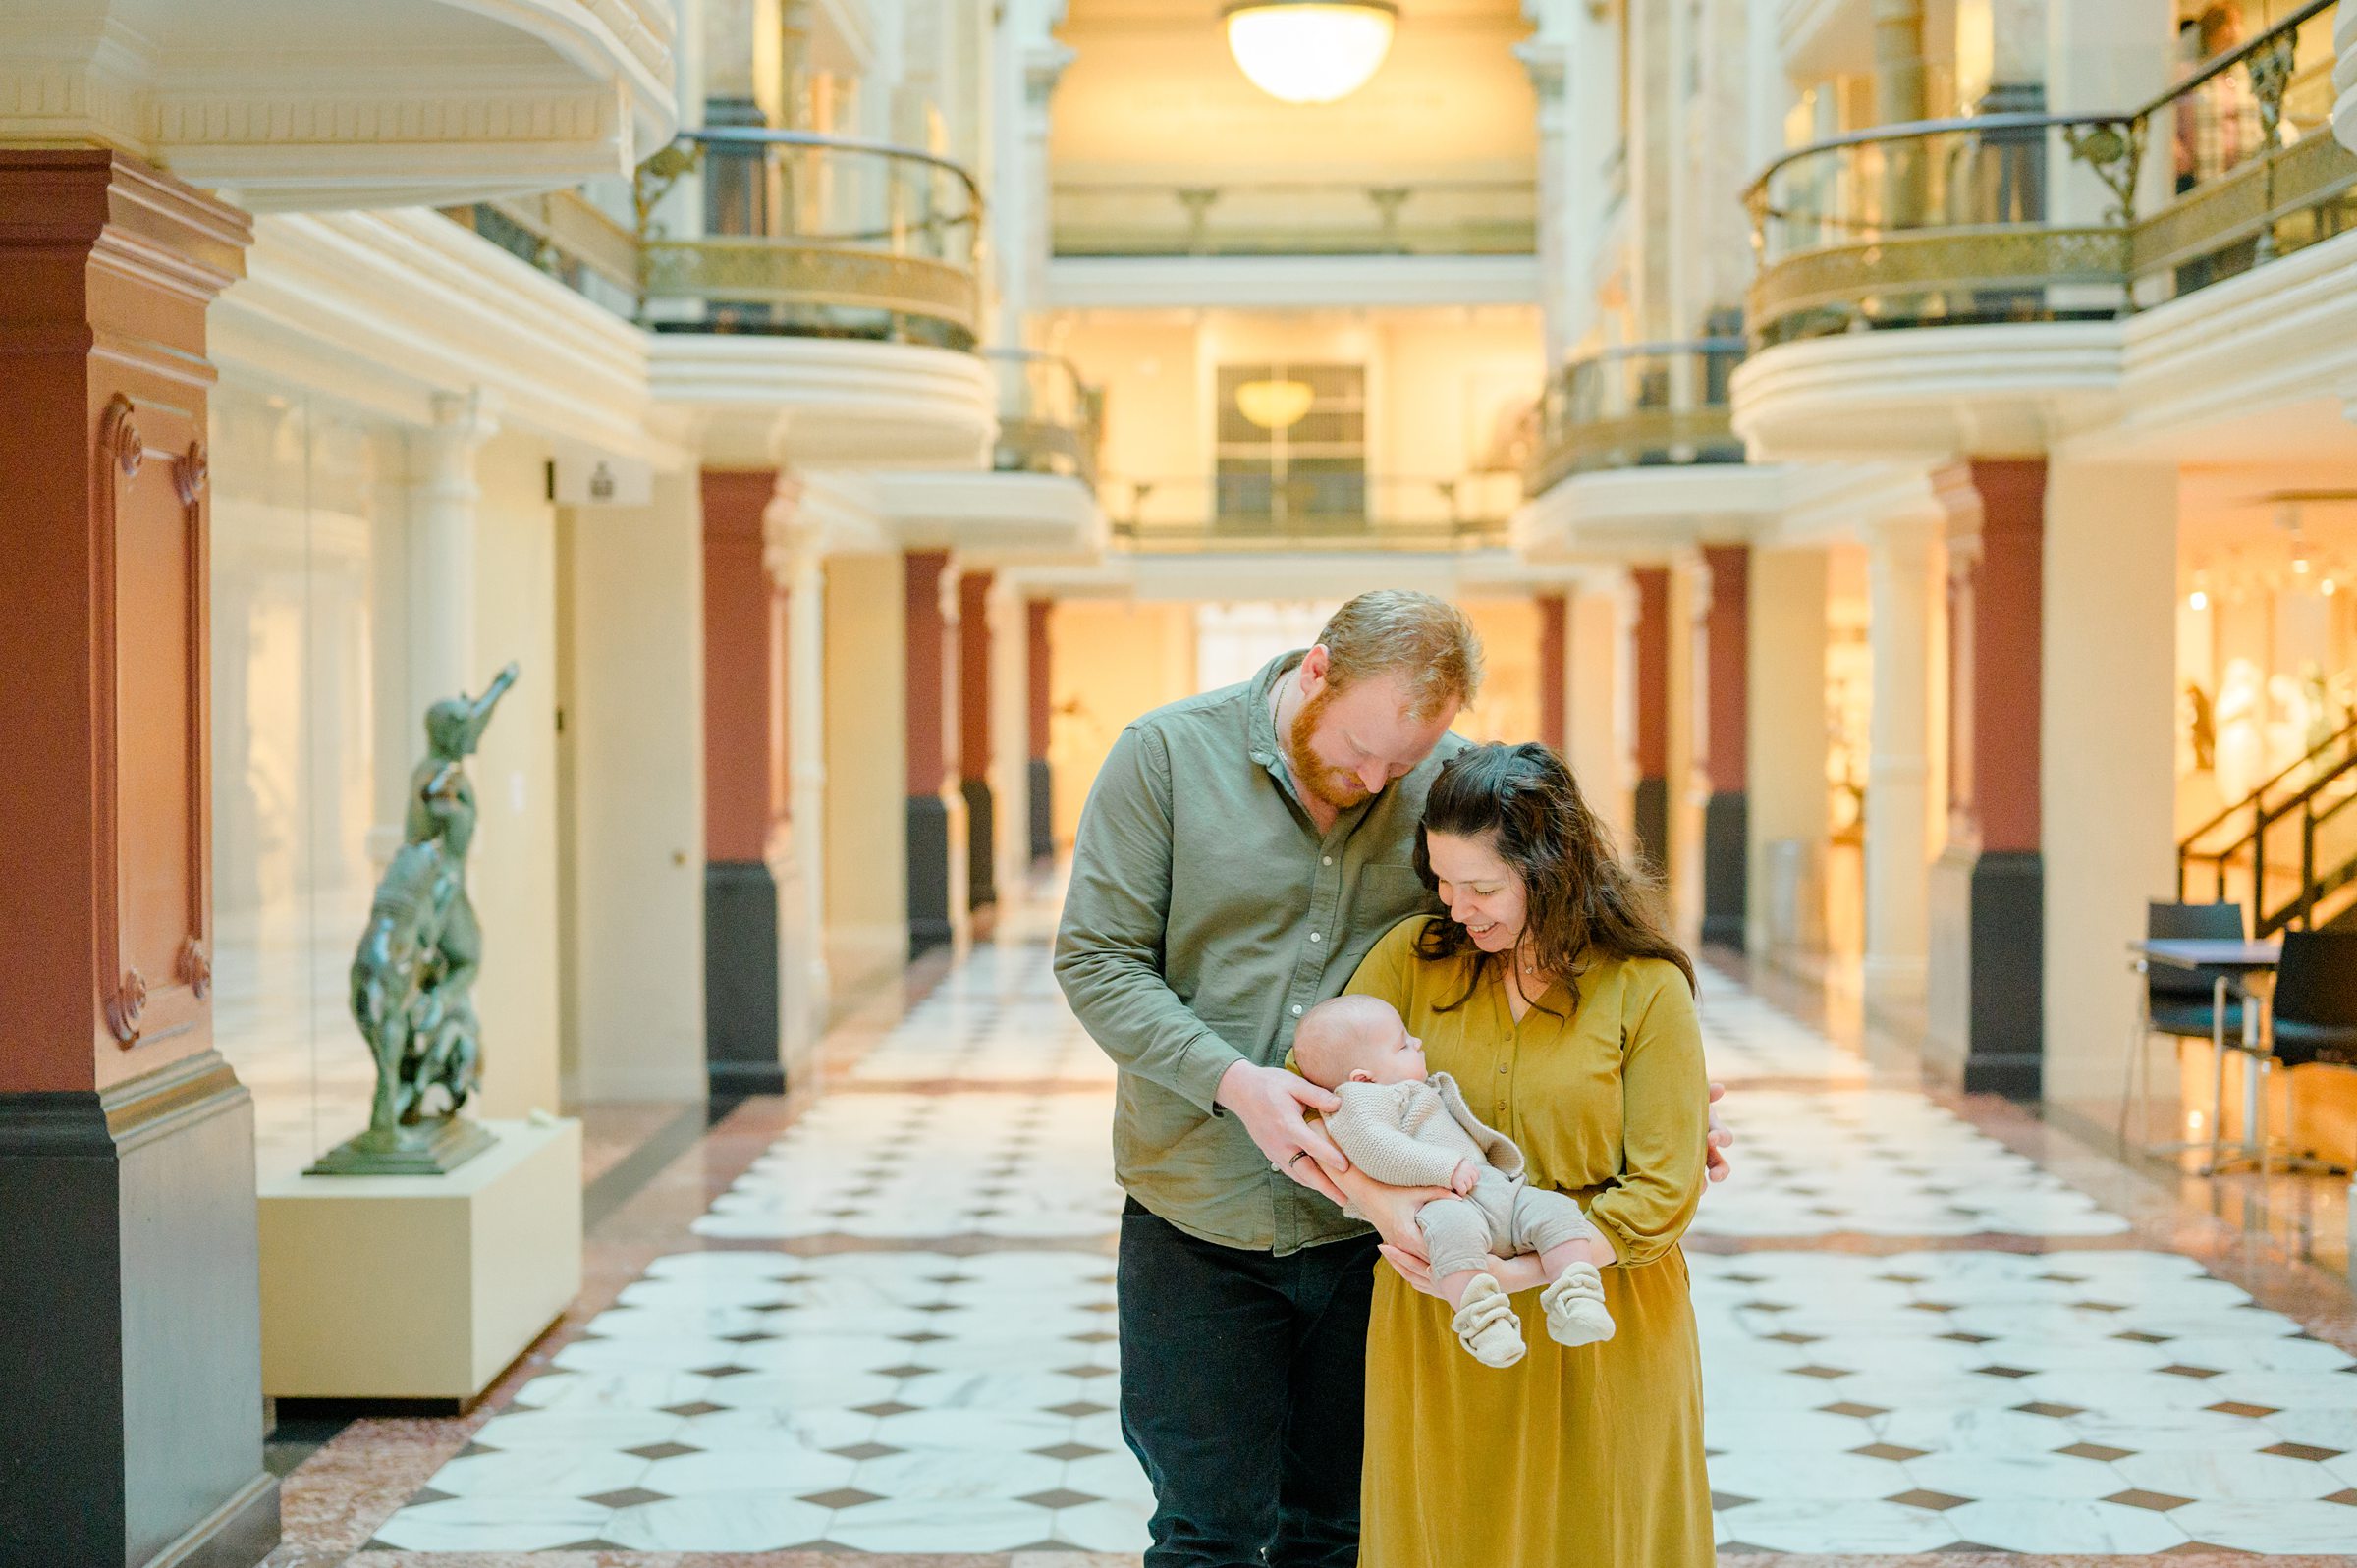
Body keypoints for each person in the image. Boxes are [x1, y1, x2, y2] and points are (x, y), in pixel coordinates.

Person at [1054, 591, 1730, 1567]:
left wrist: (1654, 1093)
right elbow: (1097, 960)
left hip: (1370, 1243)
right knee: (1205, 1530)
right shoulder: (1164, 759)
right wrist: (1237, 1082)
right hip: (1199, 1211)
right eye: (1364, 749)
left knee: (1340, 1528)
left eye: (1403, 764)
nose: (1377, 781)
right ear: (1317, 669)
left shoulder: (1446, 789)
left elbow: (1559, 904)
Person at [1342, 740, 1713, 1567]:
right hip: (1444, 1318)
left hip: (1604, 1317)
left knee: (1601, 1533)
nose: (1457, 905)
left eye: (1482, 886)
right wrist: (1392, 1209)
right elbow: (1324, 1097)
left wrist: (1518, 1274)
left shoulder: (1646, 986)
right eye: (1441, 879)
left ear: (1552, 869)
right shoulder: (1410, 960)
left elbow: (1664, 1187)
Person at [1291, 994, 1616, 1368]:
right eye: (1403, 1044)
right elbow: (1379, 1150)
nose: (1418, 1042)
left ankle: (1576, 1293)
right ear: (1364, 1077)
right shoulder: (1357, 1102)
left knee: (1557, 1211)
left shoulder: (1411, 1088)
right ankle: (1484, 1321)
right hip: (1440, 1203)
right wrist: (1444, 1166)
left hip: (1490, 1188)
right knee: (1455, 1242)